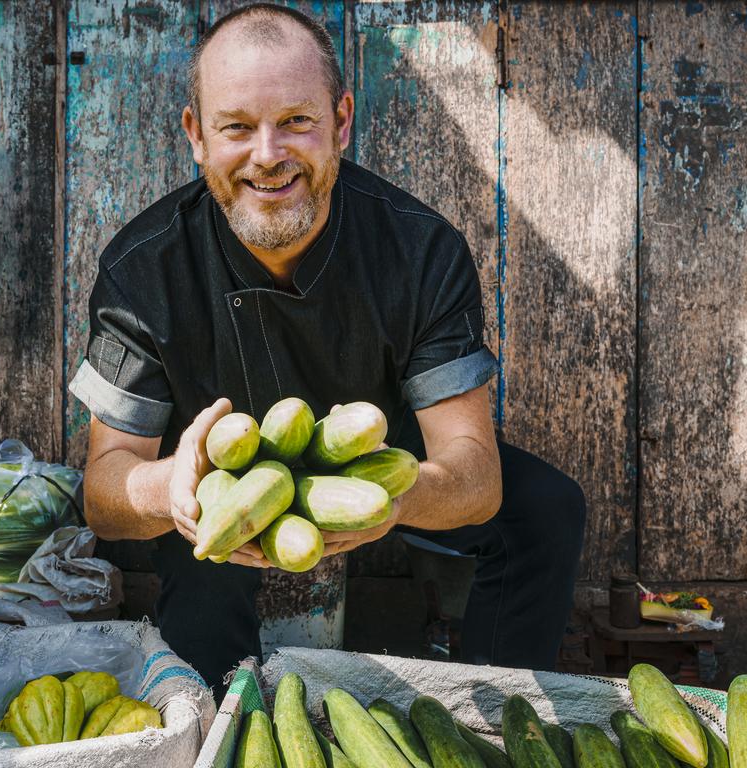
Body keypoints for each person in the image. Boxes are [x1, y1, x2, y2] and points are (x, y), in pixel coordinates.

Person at [69, 3, 586, 689]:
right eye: (236, 128)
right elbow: (104, 491)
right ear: (196, 135)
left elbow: (474, 473)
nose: (267, 155)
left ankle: (494, 723)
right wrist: (176, 487)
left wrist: (389, 498)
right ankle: (218, 734)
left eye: (296, 122)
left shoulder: (419, 250)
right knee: (203, 576)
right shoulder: (143, 268)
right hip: (216, 473)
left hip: (376, 456)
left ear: (341, 121)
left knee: (545, 510)